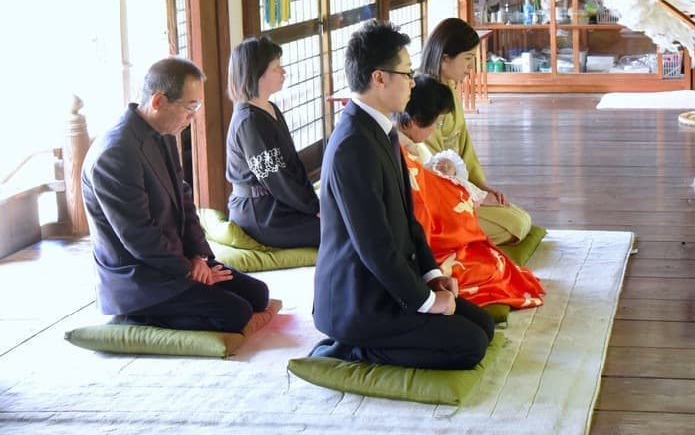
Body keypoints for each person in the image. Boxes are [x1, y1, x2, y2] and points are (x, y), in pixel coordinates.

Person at [311, 20, 494, 369]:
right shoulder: (353, 144)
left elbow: (408, 221)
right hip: (359, 299)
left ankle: (393, 328)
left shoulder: (383, 129)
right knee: (469, 346)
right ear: (379, 78)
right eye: (406, 74)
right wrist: (426, 301)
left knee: (483, 326)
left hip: (389, 283)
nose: (413, 82)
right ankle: (350, 349)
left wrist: (431, 275)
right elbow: (373, 246)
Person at [81, 57, 270, 333]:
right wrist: (186, 269)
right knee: (235, 313)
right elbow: (138, 236)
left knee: (257, 295)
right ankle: (137, 317)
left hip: (175, 259)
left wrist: (200, 258)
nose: (193, 116)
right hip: (140, 277)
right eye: (190, 106)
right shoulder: (115, 153)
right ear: (158, 101)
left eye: (197, 106)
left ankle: (190, 283)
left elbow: (184, 199)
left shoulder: (164, 132)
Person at [395, 75, 544, 309]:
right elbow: (425, 198)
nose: (468, 68)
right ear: (415, 121)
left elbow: (462, 158)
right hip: (430, 238)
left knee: (516, 224)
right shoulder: (399, 148)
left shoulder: (407, 141)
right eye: (436, 123)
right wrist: (463, 193)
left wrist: (475, 186)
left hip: (457, 188)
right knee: (492, 264)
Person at [418, 17, 532, 245]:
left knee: (520, 217)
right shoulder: (424, 97)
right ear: (444, 58)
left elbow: (464, 148)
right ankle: (445, 240)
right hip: (439, 194)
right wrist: (476, 195)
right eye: (468, 59)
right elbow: (435, 167)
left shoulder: (449, 88)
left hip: (460, 186)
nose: (471, 68)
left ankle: (463, 234)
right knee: (514, 225)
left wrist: (482, 187)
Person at [225, 36, 320, 249]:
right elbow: (276, 178)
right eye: (277, 68)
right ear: (257, 75)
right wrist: (313, 208)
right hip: (261, 212)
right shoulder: (249, 121)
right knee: (338, 231)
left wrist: (312, 202)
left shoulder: (270, 108)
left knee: (344, 222)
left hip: (279, 203)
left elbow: (292, 164)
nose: (283, 72)